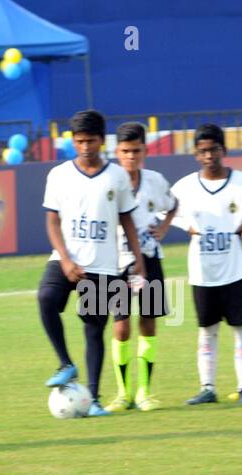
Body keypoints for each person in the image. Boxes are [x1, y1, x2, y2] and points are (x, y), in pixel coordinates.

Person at [38, 109, 145, 415]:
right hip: (65, 259)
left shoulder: (116, 177)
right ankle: (65, 364)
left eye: (91, 141)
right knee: (46, 298)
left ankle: (94, 399)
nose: (85, 147)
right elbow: (52, 222)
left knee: (93, 329)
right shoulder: (58, 175)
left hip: (102, 265)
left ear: (102, 141)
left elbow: (127, 220)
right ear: (73, 141)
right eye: (80, 141)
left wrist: (137, 260)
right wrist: (66, 259)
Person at [171, 124, 242, 404]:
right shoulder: (185, 186)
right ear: (196, 154)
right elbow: (166, 210)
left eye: (214, 149)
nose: (209, 155)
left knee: (240, 328)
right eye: (203, 151)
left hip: (234, 270)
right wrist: (187, 225)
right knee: (207, 331)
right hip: (202, 272)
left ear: (224, 150)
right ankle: (207, 387)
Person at [107, 122, 177, 412]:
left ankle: (145, 392)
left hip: (149, 257)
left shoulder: (155, 181)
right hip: (115, 260)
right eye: (125, 151)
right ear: (116, 152)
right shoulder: (109, 181)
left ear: (145, 150)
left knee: (148, 321)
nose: (131, 156)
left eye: (136, 150)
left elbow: (173, 204)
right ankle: (123, 393)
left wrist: (163, 227)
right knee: (120, 325)